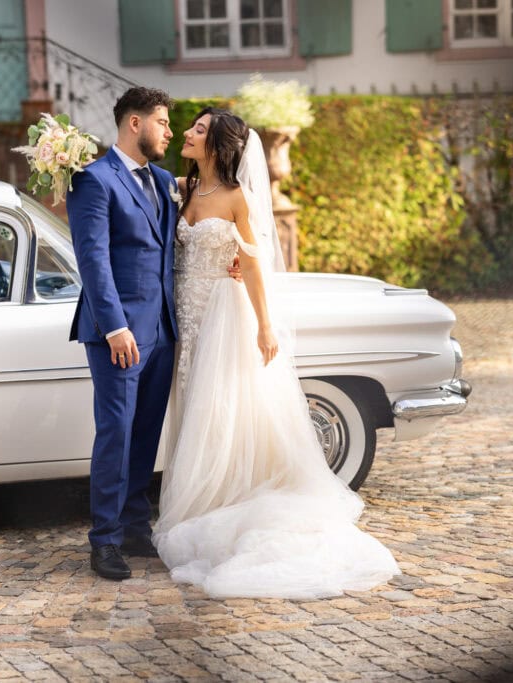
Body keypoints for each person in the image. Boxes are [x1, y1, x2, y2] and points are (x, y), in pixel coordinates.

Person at [152, 107, 401, 599]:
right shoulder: (180, 191)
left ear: (218, 145)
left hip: (224, 313)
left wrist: (265, 325)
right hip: (187, 311)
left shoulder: (235, 197)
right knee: (192, 402)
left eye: (198, 130)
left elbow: (253, 261)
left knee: (220, 406)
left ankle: (222, 499)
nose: (187, 132)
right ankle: (202, 492)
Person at [65, 87, 179, 580]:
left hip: (163, 330)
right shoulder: (92, 181)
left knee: (146, 432)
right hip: (119, 334)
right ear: (134, 123)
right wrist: (114, 326)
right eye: (163, 121)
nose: (170, 131)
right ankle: (104, 540)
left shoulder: (166, 180)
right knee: (116, 431)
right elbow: (92, 260)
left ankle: (135, 526)